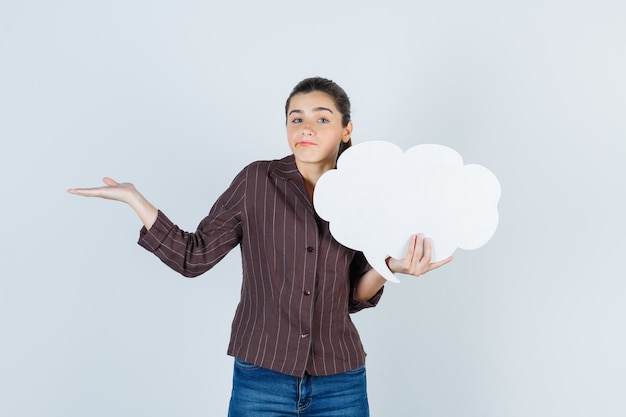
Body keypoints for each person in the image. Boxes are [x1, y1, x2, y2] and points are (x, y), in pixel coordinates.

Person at [67, 77, 453, 416]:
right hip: (262, 379)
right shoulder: (256, 182)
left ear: (346, 129)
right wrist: (136, 199)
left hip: (341, 381)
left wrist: (391, 269)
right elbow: (193, 257)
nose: (306, 127)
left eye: (322, 118)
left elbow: (350, 295)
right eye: (296, 118)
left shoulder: (366, 195)